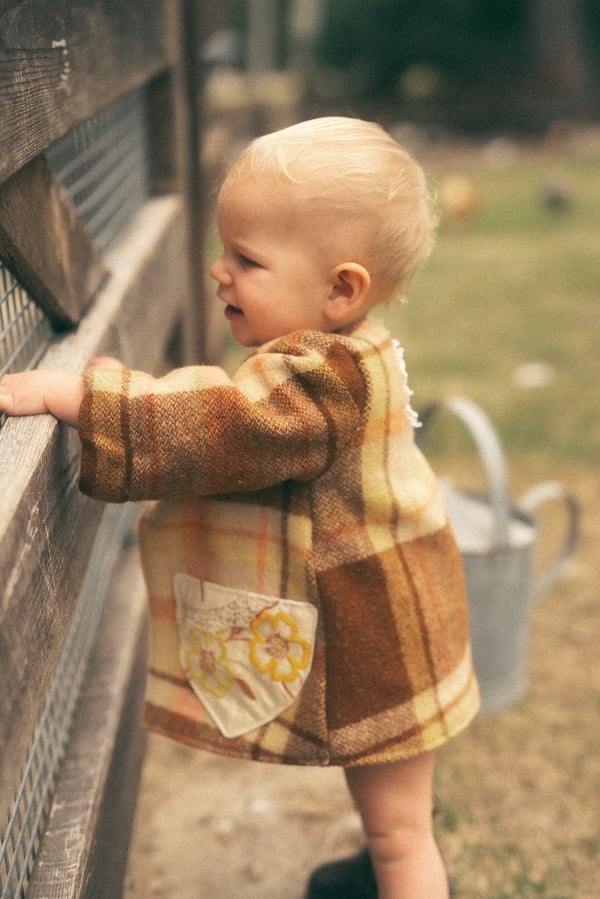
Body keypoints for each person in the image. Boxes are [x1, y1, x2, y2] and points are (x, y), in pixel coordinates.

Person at [0, 116, 479, 898]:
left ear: (340, 289)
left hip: (378, 640)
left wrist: (83, 397)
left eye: (247, 259)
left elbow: (221, 424)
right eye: (225, 249)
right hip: (390, 622)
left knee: (401, 834)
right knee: (393, 815)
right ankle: (377, 877)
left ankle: (398, 879)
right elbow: (231, 402)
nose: (219, 272)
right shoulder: (349, 351)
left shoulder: (317, 384)